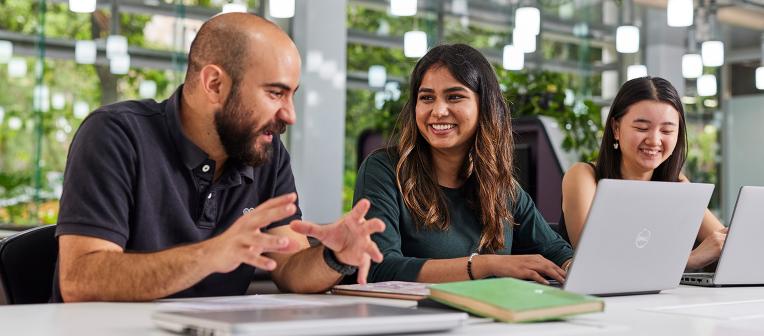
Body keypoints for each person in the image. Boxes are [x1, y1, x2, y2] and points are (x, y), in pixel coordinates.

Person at [53, 13, 385, 302]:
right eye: (275, 93)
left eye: (292, 95)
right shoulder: (116, 135)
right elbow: (81, 279)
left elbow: (290, 267)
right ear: (214, 84)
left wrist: (334, 256)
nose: (289, 114)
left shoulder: (266, 154)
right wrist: (210, 254)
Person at [353, 44, 573, 285]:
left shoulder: (500, 185)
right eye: (426, 98)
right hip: (415, 317)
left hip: (490, 317)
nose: (438, 111)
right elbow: (379, 268)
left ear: (484, 105)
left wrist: (574, 266)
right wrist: (485, 264)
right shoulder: (383, 169)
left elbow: (555, 250)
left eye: (454, 96)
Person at [561, 76, 726, 271]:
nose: (654, 140)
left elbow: (725, 243)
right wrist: (687, 260)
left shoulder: (677, 184)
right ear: (616, 128)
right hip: (600, 299)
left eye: (666, 130)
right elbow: (591, 258)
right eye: (642, 128)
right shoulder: (584, 176)